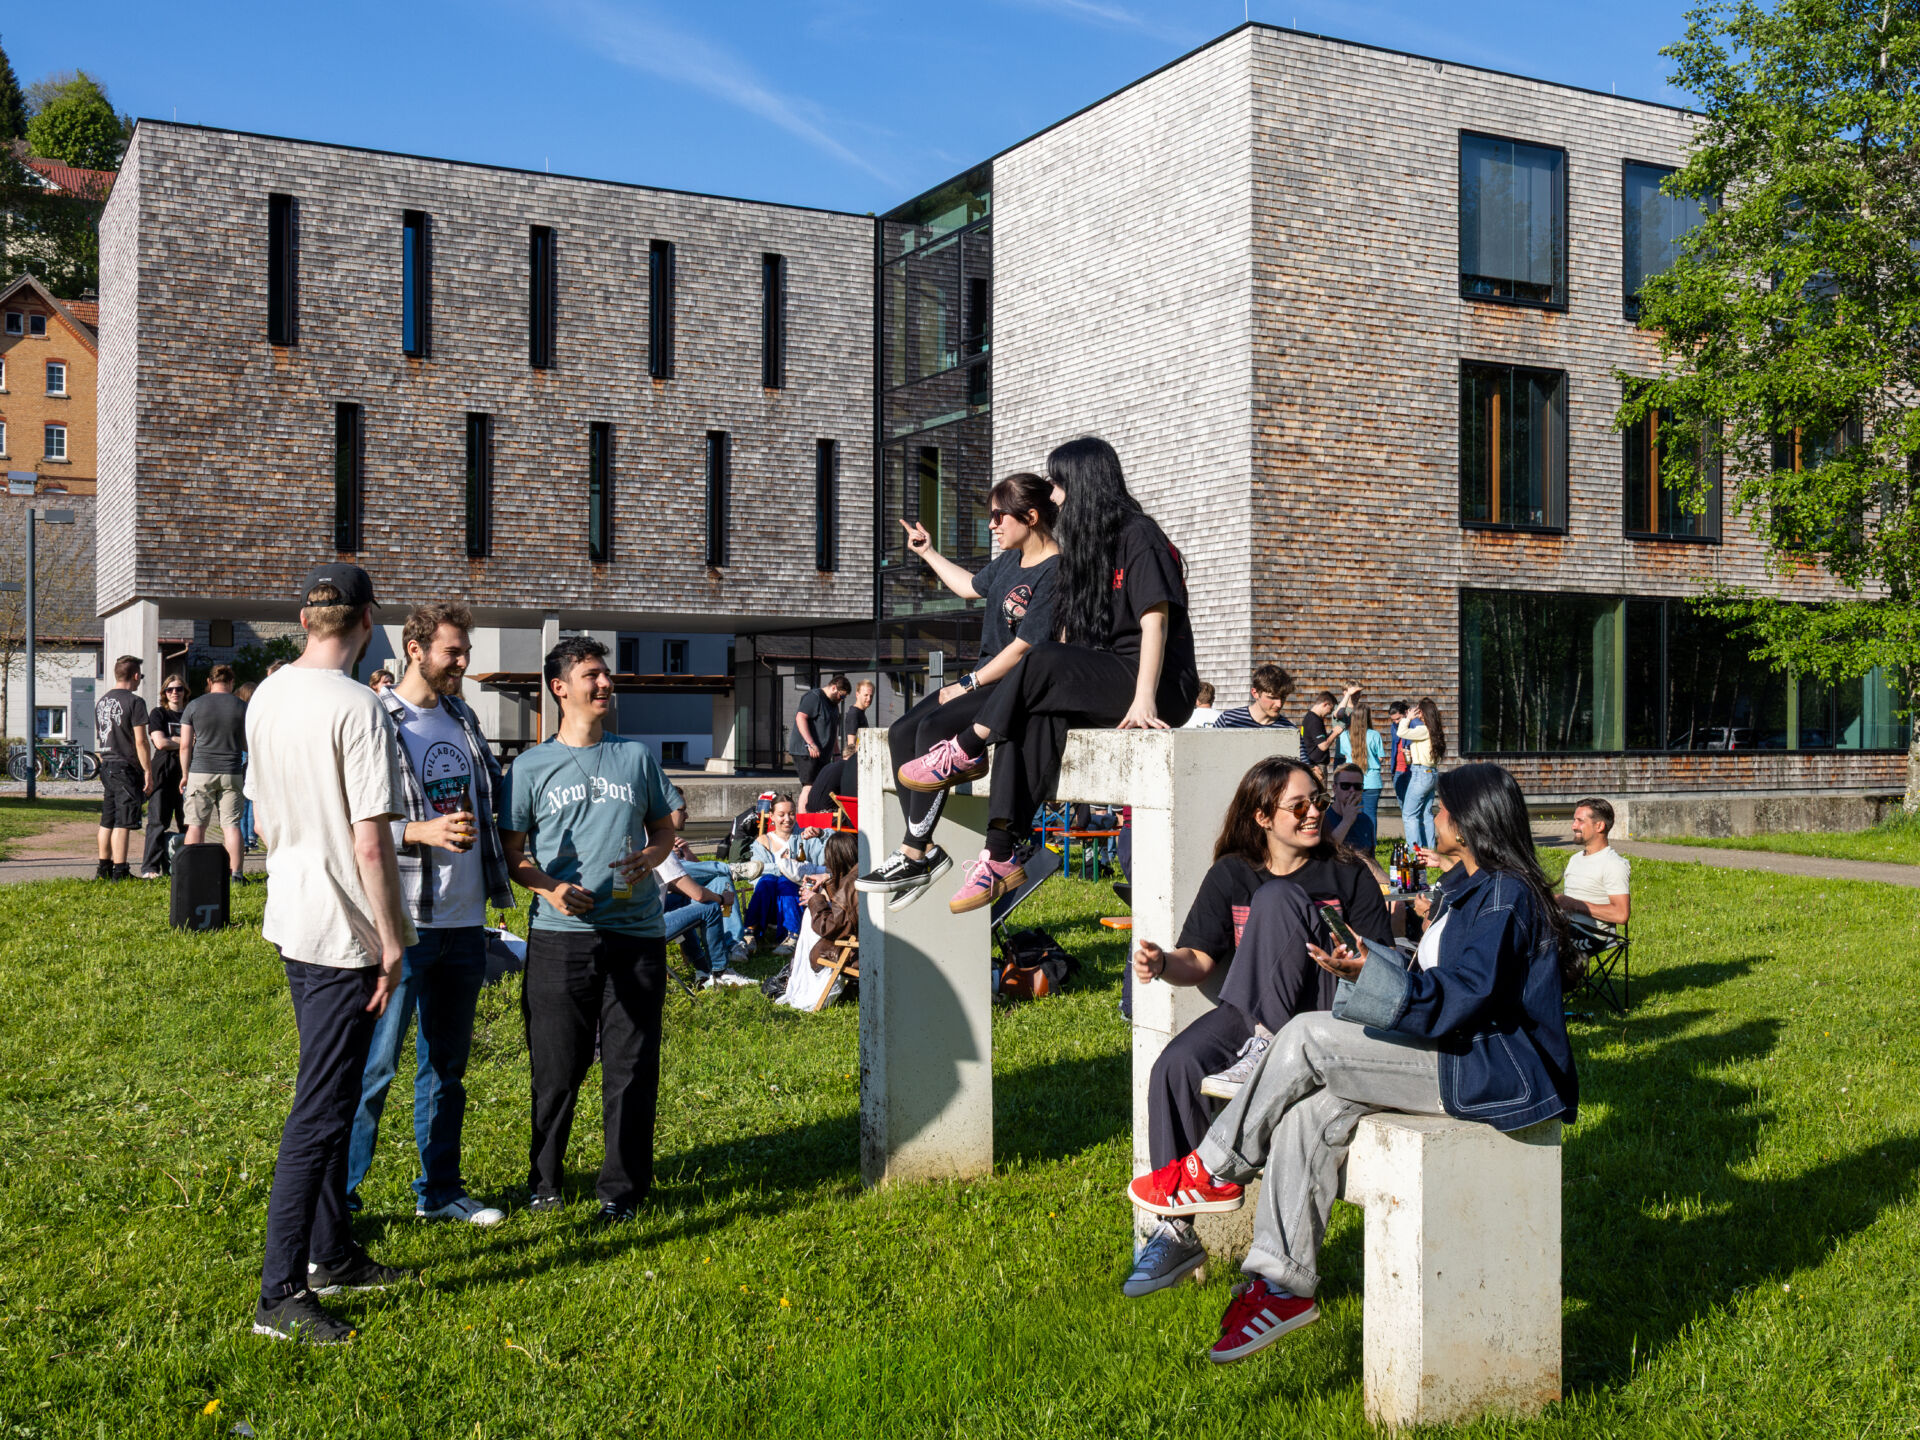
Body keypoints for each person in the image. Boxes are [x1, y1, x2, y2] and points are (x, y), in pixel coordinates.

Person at [1129, 762, 1577, 1365]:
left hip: (1487, 1068)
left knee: (1309, 1035)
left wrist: (1371, 979)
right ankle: (1281, 1285)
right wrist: (1364, 973)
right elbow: (1433, 984)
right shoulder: (1465, 889)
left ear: (1469, 825)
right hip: (1453, 1050)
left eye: (1442, 808)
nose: (1433, 816)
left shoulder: (1502, 894)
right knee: (1306, 1116)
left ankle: (1215, 1166)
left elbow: (1465, 995)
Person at [1123, 756, 1391, 1297]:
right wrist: (1160, 963)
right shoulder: (1232, 874)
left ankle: (1265, 1047)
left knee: (1279, 898)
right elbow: (1199, 957)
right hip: (1245, 1015)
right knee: (1174, 1066)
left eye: (1318, 800)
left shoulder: (1348, 874)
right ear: (1264, 816)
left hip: (1321, 1010)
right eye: (1300, 805)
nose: (1315, 811)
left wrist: (1351, 959)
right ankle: (1176, 1230)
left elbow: (1381, 965)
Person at [898, 437, 1200, 914]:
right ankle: (999, 855)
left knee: (1037, 658)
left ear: (1084, 482)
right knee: (1028, 712)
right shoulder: (1087, 543)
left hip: (1157, 682)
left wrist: (1145, 699)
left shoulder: (1137, 534)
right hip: (1108, 675)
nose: (1053, 494)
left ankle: (968, 748)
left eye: (1057, 483)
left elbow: (1155, 620)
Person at [246, 563, 416, 1345]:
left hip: (292, 914)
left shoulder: (270, 692)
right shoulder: (359, 708)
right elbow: (372, 845)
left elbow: (260, 813)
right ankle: (279, 1295)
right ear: (367, 618)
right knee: (319, 1112)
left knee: (335, 1093)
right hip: (342, 930)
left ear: (308, 616)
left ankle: (330, 1253)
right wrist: (392, 944)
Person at [345, 603, 517, 1230]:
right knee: (374, 1070)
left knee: (447, 1068)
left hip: (465, 921)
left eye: (464, 651)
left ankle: (439, 1191)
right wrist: (422, 829)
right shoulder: (375, 719)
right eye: (453, 652)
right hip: (405, 925)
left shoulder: (462, 717)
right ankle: (342, 1205)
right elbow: (351, 823)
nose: (463, 663)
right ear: (415, 649)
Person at [502, 636, 682, 1222]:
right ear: (560, 688)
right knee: (556, 1067)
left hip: (637, 935)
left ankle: (622, 1192)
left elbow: (662, 831)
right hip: (561, 937)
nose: (605, 685)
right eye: (592, 676)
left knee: (630, 1067)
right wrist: (550, 888)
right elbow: (514, 857)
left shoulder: (635, 757)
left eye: (606, 676)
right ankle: (545, 1181)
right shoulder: (528, 768)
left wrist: (652, 859)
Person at [859, 472, 1061, 905]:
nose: (992, 525)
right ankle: (922, 850)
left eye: (998, 516)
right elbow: (969, 587)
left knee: (934, 729)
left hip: (1013, 686)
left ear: (1030, 515)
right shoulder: (1009, 560)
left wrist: (968, 683)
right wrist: (928, 552)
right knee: (900, 733)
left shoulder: (1056, 570)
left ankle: (914, 852)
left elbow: (1027, 647)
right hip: (984, 675)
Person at [180, 664, 250, 883]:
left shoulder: (194, 705)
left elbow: (184, 745)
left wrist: (184, 774)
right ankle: (235, 874)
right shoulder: (242, 706)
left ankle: (193, 873)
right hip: (231, 771)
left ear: (209, 682)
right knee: (231, 825)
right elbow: (248, 744)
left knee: (196, 824)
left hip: (200, 771)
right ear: (231, 683)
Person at [777, 831, 861, 1011]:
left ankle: (801, 981)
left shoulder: (849, 886)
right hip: (860, 939)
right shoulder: (858, 874)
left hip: (852, 950)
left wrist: (814, 900)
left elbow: (830, 926)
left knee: (809, 917)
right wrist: (827, 880)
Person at [658, 844, 755, 988]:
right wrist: (721, 899)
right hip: (645, 929)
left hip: (626, 926)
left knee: (683, 900)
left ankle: (702, 969)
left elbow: (675, 886)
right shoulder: (660, 850)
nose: (686, 819)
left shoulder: (635, 846)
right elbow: (698, 894)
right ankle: (720, 973)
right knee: (710, 907)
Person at [93, 655, 152, 881]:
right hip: (125, 767)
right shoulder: (135, 702)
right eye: (140, 676)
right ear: (135, 675)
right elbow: (141, 741)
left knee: (107, 818)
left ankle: (103, 868)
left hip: (107, 764)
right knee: (123, 821)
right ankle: (120, 871)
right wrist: (147, 770)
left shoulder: (102, 701)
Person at [743, 795, 825, 951]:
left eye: (792, 813)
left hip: (798, 899)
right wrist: (785, 867)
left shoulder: (806, 837)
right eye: (781, 815)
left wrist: (821, 834)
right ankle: (749, 933)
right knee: (768, 879)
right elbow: (755, 875)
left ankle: (791, 936)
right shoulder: (762, 842)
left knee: (785, 882)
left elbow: (829, 857)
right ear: (772, 816)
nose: (787, 819)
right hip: (767, 902)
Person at [139, 676, 190, 879]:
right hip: (163, 775)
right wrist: (186, 742)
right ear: (164, 693)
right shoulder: (159, 713)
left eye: (178, 689)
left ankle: (187, 865)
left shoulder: (190, 713)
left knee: (188, 823)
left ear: (185, 691)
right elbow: (160, 743)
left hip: (187, 776)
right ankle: (150, 868)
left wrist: (175, 740)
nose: (174, 693)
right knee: (158, 822)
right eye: (170, 690)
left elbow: (198, 740)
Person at [1558, 797, 1630, 933]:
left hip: (1590, 935)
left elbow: (1621, 914)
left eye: (1580, 821)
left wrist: (1573, 904)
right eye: (1574, 820)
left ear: (1599, 826)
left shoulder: (1613, 864)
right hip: (1566, 928)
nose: (1573, 826)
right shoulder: (1575, 859)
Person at [1398, 697, 1446, 852]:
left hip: (1420, 774)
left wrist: (1407, 718)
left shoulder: (1423, 730)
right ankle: (1430, 848)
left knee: (1409, 814)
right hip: (1431, 773)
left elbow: (1401, 732)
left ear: (1424, 713)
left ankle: (1414, 851)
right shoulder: (1435, 731)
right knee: (1426, 812)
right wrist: (1412, 754)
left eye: (1418, 710)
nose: (1416, 712)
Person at [789, 673, 851, 793]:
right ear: (834, 688)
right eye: (841, 696)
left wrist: (837, 754)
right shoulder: (814, 697)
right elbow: (800, 717)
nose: (841, 700)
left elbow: (832, 731)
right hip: (807, 752)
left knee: (820, 787)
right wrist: (810, 743)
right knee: (809, 787)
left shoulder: (833, 706)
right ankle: (804, 812)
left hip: (823, 754)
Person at [1336, 701, 1384, 831]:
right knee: (1370, 816)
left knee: (1352, 814)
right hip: (1372, 780)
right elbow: (1380, 757)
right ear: (1368, 716)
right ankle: (1371, 847)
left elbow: (1346, 757)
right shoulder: (1375, 735)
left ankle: (1355, 845)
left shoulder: (1344, 735)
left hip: (1353, 781)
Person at [1211, 665, 1294, 737]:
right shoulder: (1228, 721)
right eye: (1272, 698)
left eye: (1283, 698)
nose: (1279, 704)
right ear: (1255, 693)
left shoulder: (1290, 731)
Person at [1326, 763, 1377, 856]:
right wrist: (1346, 822)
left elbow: (1371, 859)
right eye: (1345, 786)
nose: (1352, 790)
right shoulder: (1323, 820)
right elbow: (1326, 853)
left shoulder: (1366, 821)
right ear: (1334, 788)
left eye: (1357, 786)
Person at [1386, 700, 1412, 820]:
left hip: (1411, 770)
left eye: (1398, 719)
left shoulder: (1414, 725)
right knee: (1403, 805)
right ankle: (1410, 836)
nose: (1396, 722)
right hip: (1398, 769)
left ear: (1406, 713)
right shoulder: (1394, 727)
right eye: (1393, 720)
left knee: (1413, 806)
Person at [842, 679, 876, 758]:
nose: (869, 699)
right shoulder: (854, 714)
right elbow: (851, 746)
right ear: (857, 694)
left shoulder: (860, 713)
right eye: (866, 695)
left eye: (871, 696)